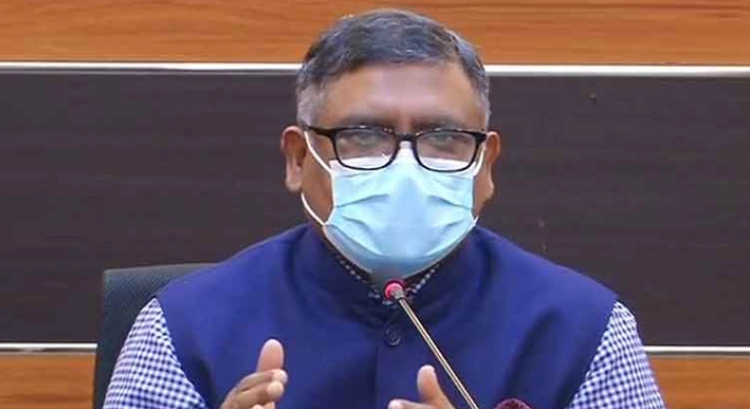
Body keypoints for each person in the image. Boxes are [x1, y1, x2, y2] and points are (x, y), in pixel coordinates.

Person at [103, 9, 664, 409]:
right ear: (298, 158)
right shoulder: (180, 329)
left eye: (443, 138)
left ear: (486, 165)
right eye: (364, 136)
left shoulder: (585, 331)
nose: (406, 167)